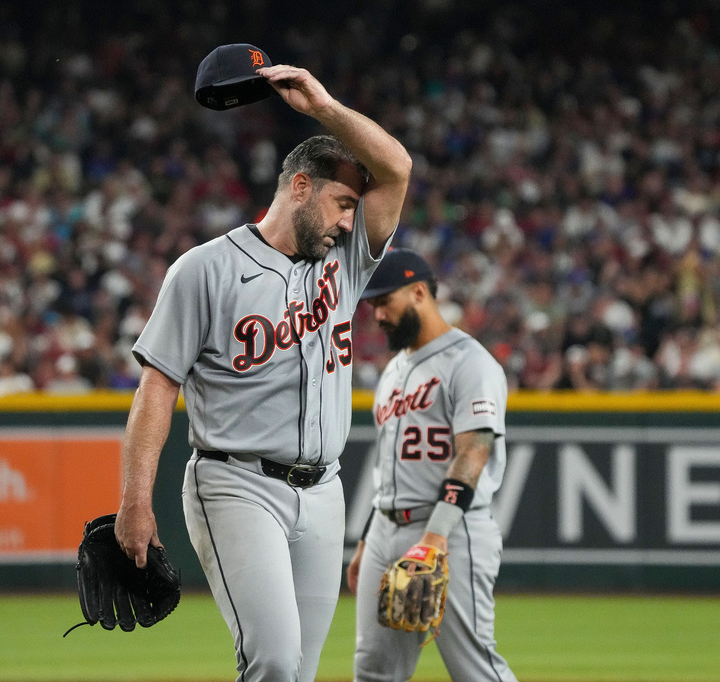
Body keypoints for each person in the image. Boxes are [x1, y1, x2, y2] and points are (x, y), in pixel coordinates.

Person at [113, 60, 411, 682]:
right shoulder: (203, 271)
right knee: (273, 660)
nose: (349, 222)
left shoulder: (345, 262)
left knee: (297, 673)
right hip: (237, 485)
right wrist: (135, 501)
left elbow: (398, 168)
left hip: (325, 490)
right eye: (341, 203)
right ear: (299, 187)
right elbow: (156, 389)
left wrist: (324, 107)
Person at [347, 248, 517, 682]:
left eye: (386, 302)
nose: (378, 314)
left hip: (450, 532)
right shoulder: (393, 371)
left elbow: (473, 452)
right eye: (373, 305)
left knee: (474, 669)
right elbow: (390, 466)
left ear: (419, 292)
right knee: (373, 671)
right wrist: (369, 537)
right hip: (386, 528)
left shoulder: (470, 362)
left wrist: (435, 536)